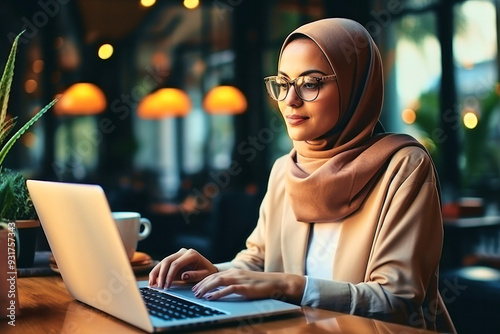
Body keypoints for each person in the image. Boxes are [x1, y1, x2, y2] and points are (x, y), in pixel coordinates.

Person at [149, 18, 455, 332]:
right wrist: (212, 273)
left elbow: (397, 301)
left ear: (354, 86)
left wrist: (291, 286)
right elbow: (257, 262)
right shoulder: (286, 169)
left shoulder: (403, 167)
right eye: (283, 84)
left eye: (310, 83)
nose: (290, 100)